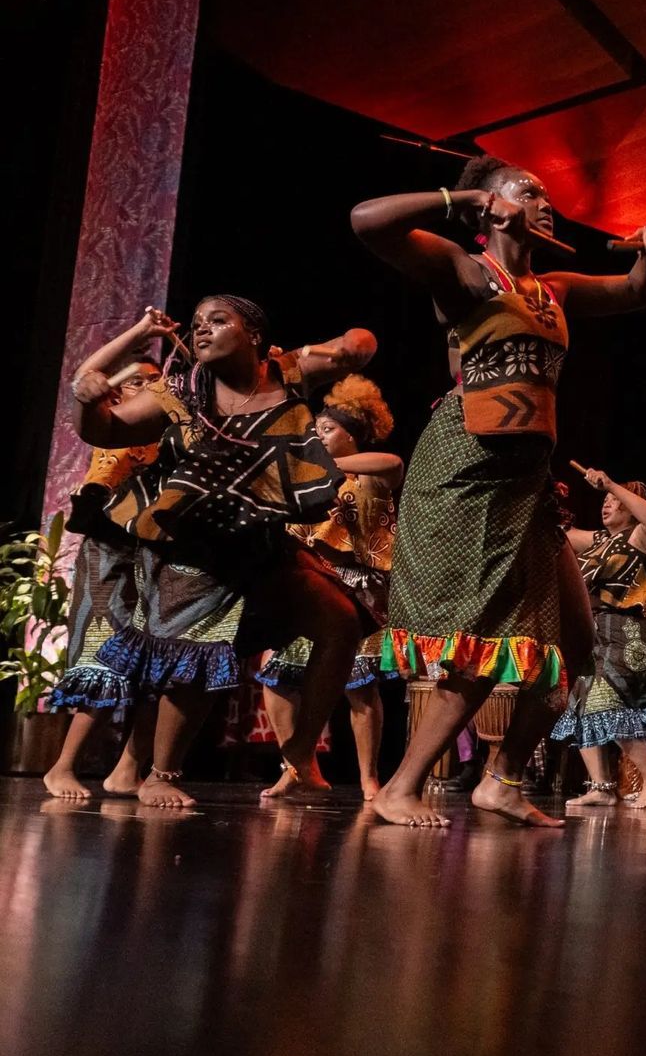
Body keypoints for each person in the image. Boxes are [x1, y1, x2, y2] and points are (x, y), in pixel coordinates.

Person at [349, 154, 646, 826]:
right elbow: (366, 222)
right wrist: (454, 198)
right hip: (467, 468)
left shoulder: (557, 287)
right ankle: (402, 786)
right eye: (530, 190)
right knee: (487, 641)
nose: (545, 201)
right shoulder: (466, 273)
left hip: (526, 485)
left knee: (577, 649)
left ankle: (504, 779)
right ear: (491, 205)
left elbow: (639, 292)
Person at [72, 299, 378, 810]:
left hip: (258, 539)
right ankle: (159, 775)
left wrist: (347, 347)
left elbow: (360, 345)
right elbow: (106, 429)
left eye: (217, 321)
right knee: (194, 654)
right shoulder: (182, 390)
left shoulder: (287, 372)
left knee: (340, 621)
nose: (202, 332)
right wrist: (88, 401)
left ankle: (300, 750)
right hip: (197, 542)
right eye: (195, 326)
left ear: (255, 333)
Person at [254, 375, 404, 801]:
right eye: (316, 430)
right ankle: (300, 768)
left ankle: (368, 778)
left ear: (352, 435)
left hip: (356, 588)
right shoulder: (310, 479)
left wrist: (329, 463)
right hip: (307, 584)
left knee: (358, 686)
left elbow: (393, 464)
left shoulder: (369, 475)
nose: (318, 436)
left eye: (327, 430)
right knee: (277, 677)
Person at [42, 339, 162, 801]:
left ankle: (127, 768)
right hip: (110, 555)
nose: (151, 390)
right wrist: (140, 329)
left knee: (158, 663)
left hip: (152, 555)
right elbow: (84, 382)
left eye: (157, 383)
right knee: (105, 654)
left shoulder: (165, 432)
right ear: (115, 393)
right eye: (139, 383)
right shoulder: (112, 428)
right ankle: (62, 767)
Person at [550, 470, 646, 812]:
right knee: (580, 699)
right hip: (600, 634)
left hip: (632, 635)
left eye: (615, 501)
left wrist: (610, 484)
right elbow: (562, 535)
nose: (607, 504)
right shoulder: (600, 541)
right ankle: (602, 787)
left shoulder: (641, 537)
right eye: (605, 501)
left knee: (604, 701)